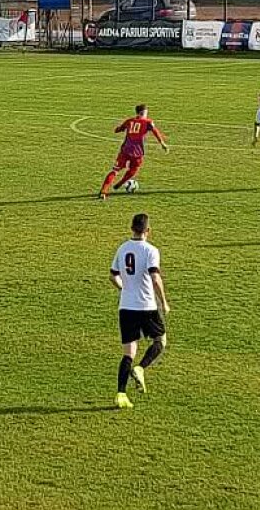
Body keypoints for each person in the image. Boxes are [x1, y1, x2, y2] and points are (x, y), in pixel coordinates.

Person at [110, 213, 170, 410]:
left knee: (128, 352)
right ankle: (141, 368)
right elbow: (155, 278)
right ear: (148, 231)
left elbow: (113, 276)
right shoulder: (151, 250)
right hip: (146, 306)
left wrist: (124, 289)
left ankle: (121, 394)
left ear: (131, 229)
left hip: (126, 307)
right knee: (160, 341)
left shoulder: (122, 248)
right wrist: (164, 301)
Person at [99, 104, 168, 199]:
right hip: (137, 152)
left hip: (125, 151)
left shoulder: (129, 121)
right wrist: (162, 143)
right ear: (143, 113)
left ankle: (103, 191)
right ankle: (121, 182)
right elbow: (155, 131)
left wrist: (118, 129)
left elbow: (118, 129)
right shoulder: (148, 122)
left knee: (115, 171)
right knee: (133, 170)